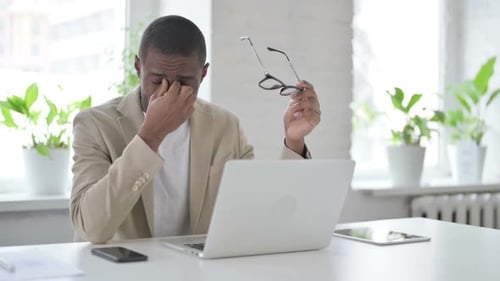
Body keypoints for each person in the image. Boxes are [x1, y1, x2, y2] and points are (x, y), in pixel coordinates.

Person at [70, 15, 321, 243]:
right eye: (157, 80)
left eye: (184, 82)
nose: (168, 91)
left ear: (202, 74)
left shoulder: (225, 126)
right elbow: (91, 229)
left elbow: (260, 214)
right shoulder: (95, 125)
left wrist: (294, 141)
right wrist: (151, 135)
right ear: (138, 67)